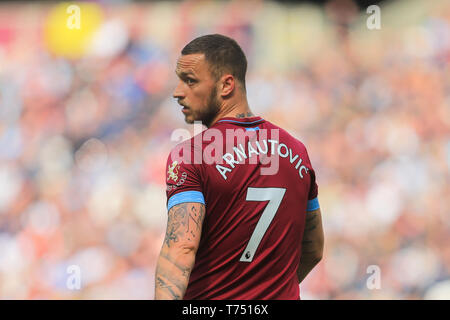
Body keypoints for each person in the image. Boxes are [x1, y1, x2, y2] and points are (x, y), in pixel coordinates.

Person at [154, 34, 324, 300]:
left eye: (190, 81)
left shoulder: (192, 154)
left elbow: (181, 249)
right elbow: (313, 249)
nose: (177, 92)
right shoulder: (297, 151)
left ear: (226, 85)